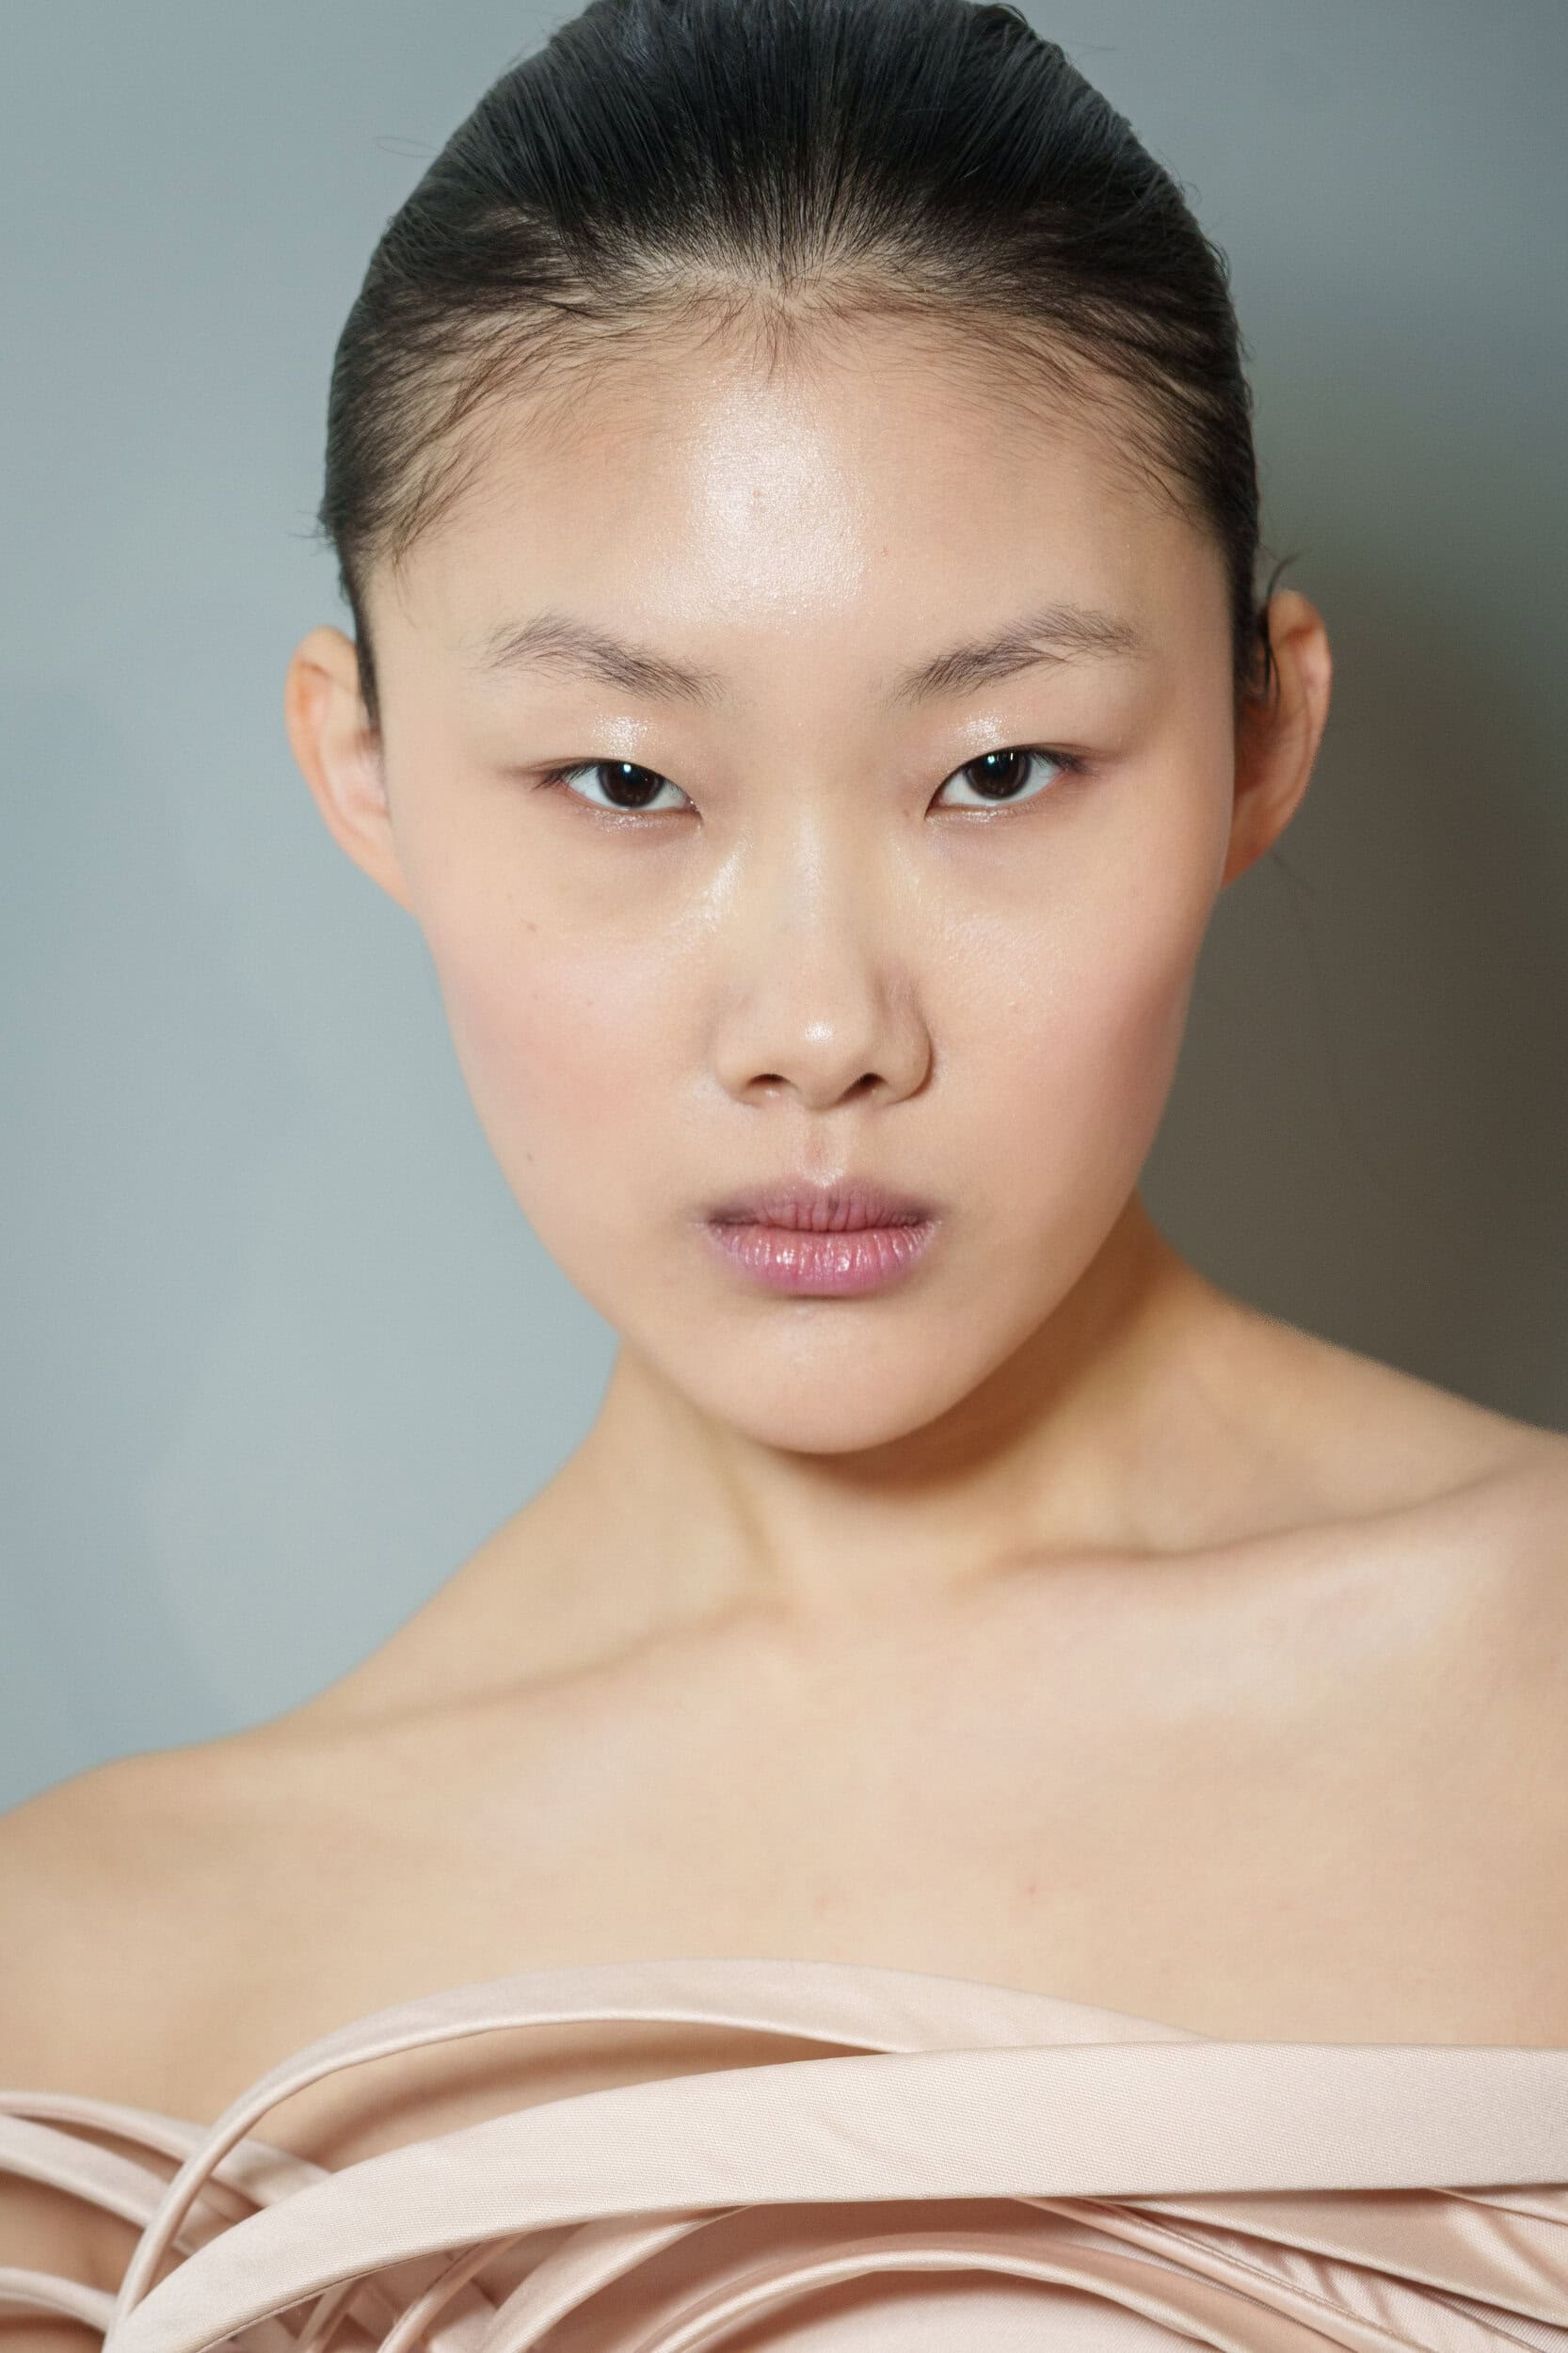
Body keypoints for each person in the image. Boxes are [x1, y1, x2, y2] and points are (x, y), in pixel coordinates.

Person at [4, 2, 1567, 2345]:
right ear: (365, 764)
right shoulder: (87, 1993)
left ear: (1259, 738)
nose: (822, 1027)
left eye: (999, 767)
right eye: (626, 782)